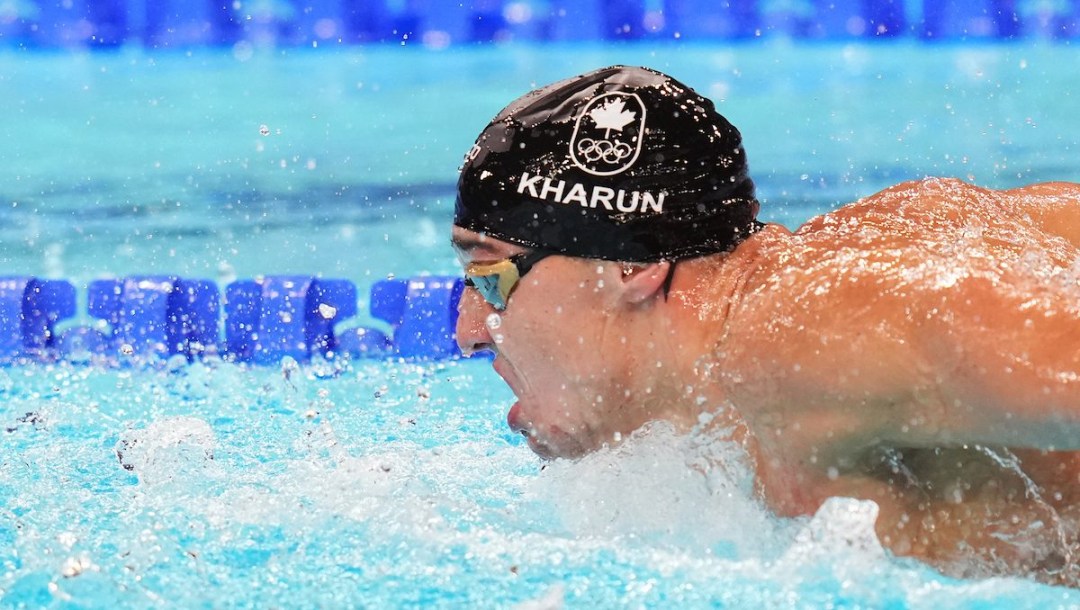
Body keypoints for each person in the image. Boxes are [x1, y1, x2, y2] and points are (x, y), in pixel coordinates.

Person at [450, 65, 1080, 584]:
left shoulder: (806, 333)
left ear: (629, 265)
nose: (469, 330)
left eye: (492, 278)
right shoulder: (795, 314)